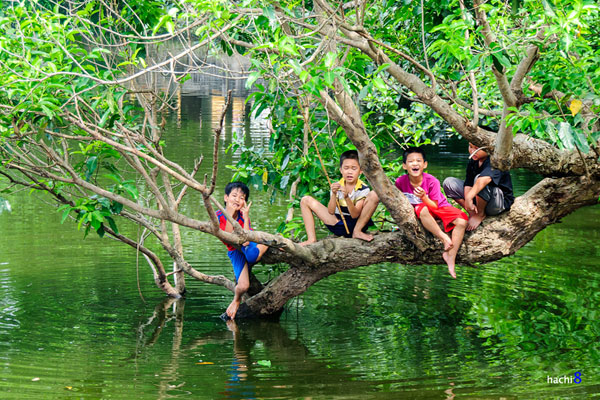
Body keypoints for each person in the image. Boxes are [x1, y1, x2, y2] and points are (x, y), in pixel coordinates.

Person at [395, 147, 468, 278]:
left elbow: (434, 205)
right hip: (421, 211)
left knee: (462, 221)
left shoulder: (432, 181)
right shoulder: (400, 182)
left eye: (419, 160)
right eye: (411, 161)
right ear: (404, 166)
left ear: (425, 164)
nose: (415, 163)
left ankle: (451, 256)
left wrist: (424, 197)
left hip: (437, 207)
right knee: (421, 209)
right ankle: (444, 237)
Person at [299, 149, 379, 244]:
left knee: (375, 194)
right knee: (305, 200)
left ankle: (357, 232)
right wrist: (333, 194)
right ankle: (311, 239)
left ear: (360, 171)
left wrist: (346, 198)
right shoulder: (337, 185)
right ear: (341, 170)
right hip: (338, 223)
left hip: (355, 224)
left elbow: (355, 215)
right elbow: (331, 211)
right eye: (346, 168)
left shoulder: (363, 189)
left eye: (354, 168)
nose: (349, 172)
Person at [216, 181, 269, 320]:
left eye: (242, 198)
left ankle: (267, 243)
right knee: (244, 286)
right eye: (234, 196)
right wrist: (231, 212)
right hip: (234, 250)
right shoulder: (218, 215)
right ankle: (236, 299)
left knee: (251, 255)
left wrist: (245, 217)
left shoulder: (242, 215)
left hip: (248, 243)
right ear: (226, 198)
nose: (238, 200)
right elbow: (228, 238)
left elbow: (246, 240)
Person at [443, 143, 514, 231]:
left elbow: (483, 180)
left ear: (488, 149)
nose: (472, 151)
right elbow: (468, 183)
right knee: (449, 182)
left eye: (477, 149)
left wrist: (469, 197)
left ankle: (480, 214)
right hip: (480, 199)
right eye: (470, 147)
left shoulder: (495, 161)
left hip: (497, 204)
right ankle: (473, 213)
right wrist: (469, 206)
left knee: (479, 179)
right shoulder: (474, 161)